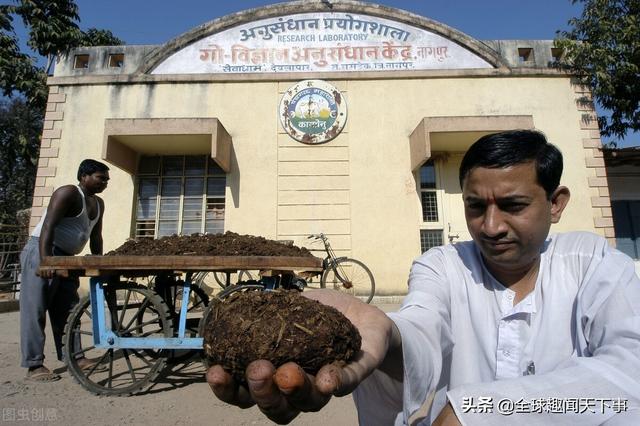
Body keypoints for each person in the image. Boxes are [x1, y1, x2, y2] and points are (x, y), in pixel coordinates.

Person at [205, 130, 640, 424]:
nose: (490, 226)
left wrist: (480, 412)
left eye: (513, 205)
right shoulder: (443, 265)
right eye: (475, 206)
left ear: (556, 203)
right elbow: (421, 326)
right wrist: (388, 336)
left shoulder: (595, 265)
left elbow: (629, 376)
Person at [19, 159, 110, 382]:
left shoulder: (98, 204)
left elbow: (95, 236)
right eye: (101, 178)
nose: (105, 183)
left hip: (67, 259)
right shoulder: (68, 193)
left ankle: (74, 357)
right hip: (42, 251)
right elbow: (48, 226)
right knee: (36, 309)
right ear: (84, 176)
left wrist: (98, 261)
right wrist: (46, 261)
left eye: (107, 180)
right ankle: (34, 365)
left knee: (68, 310)